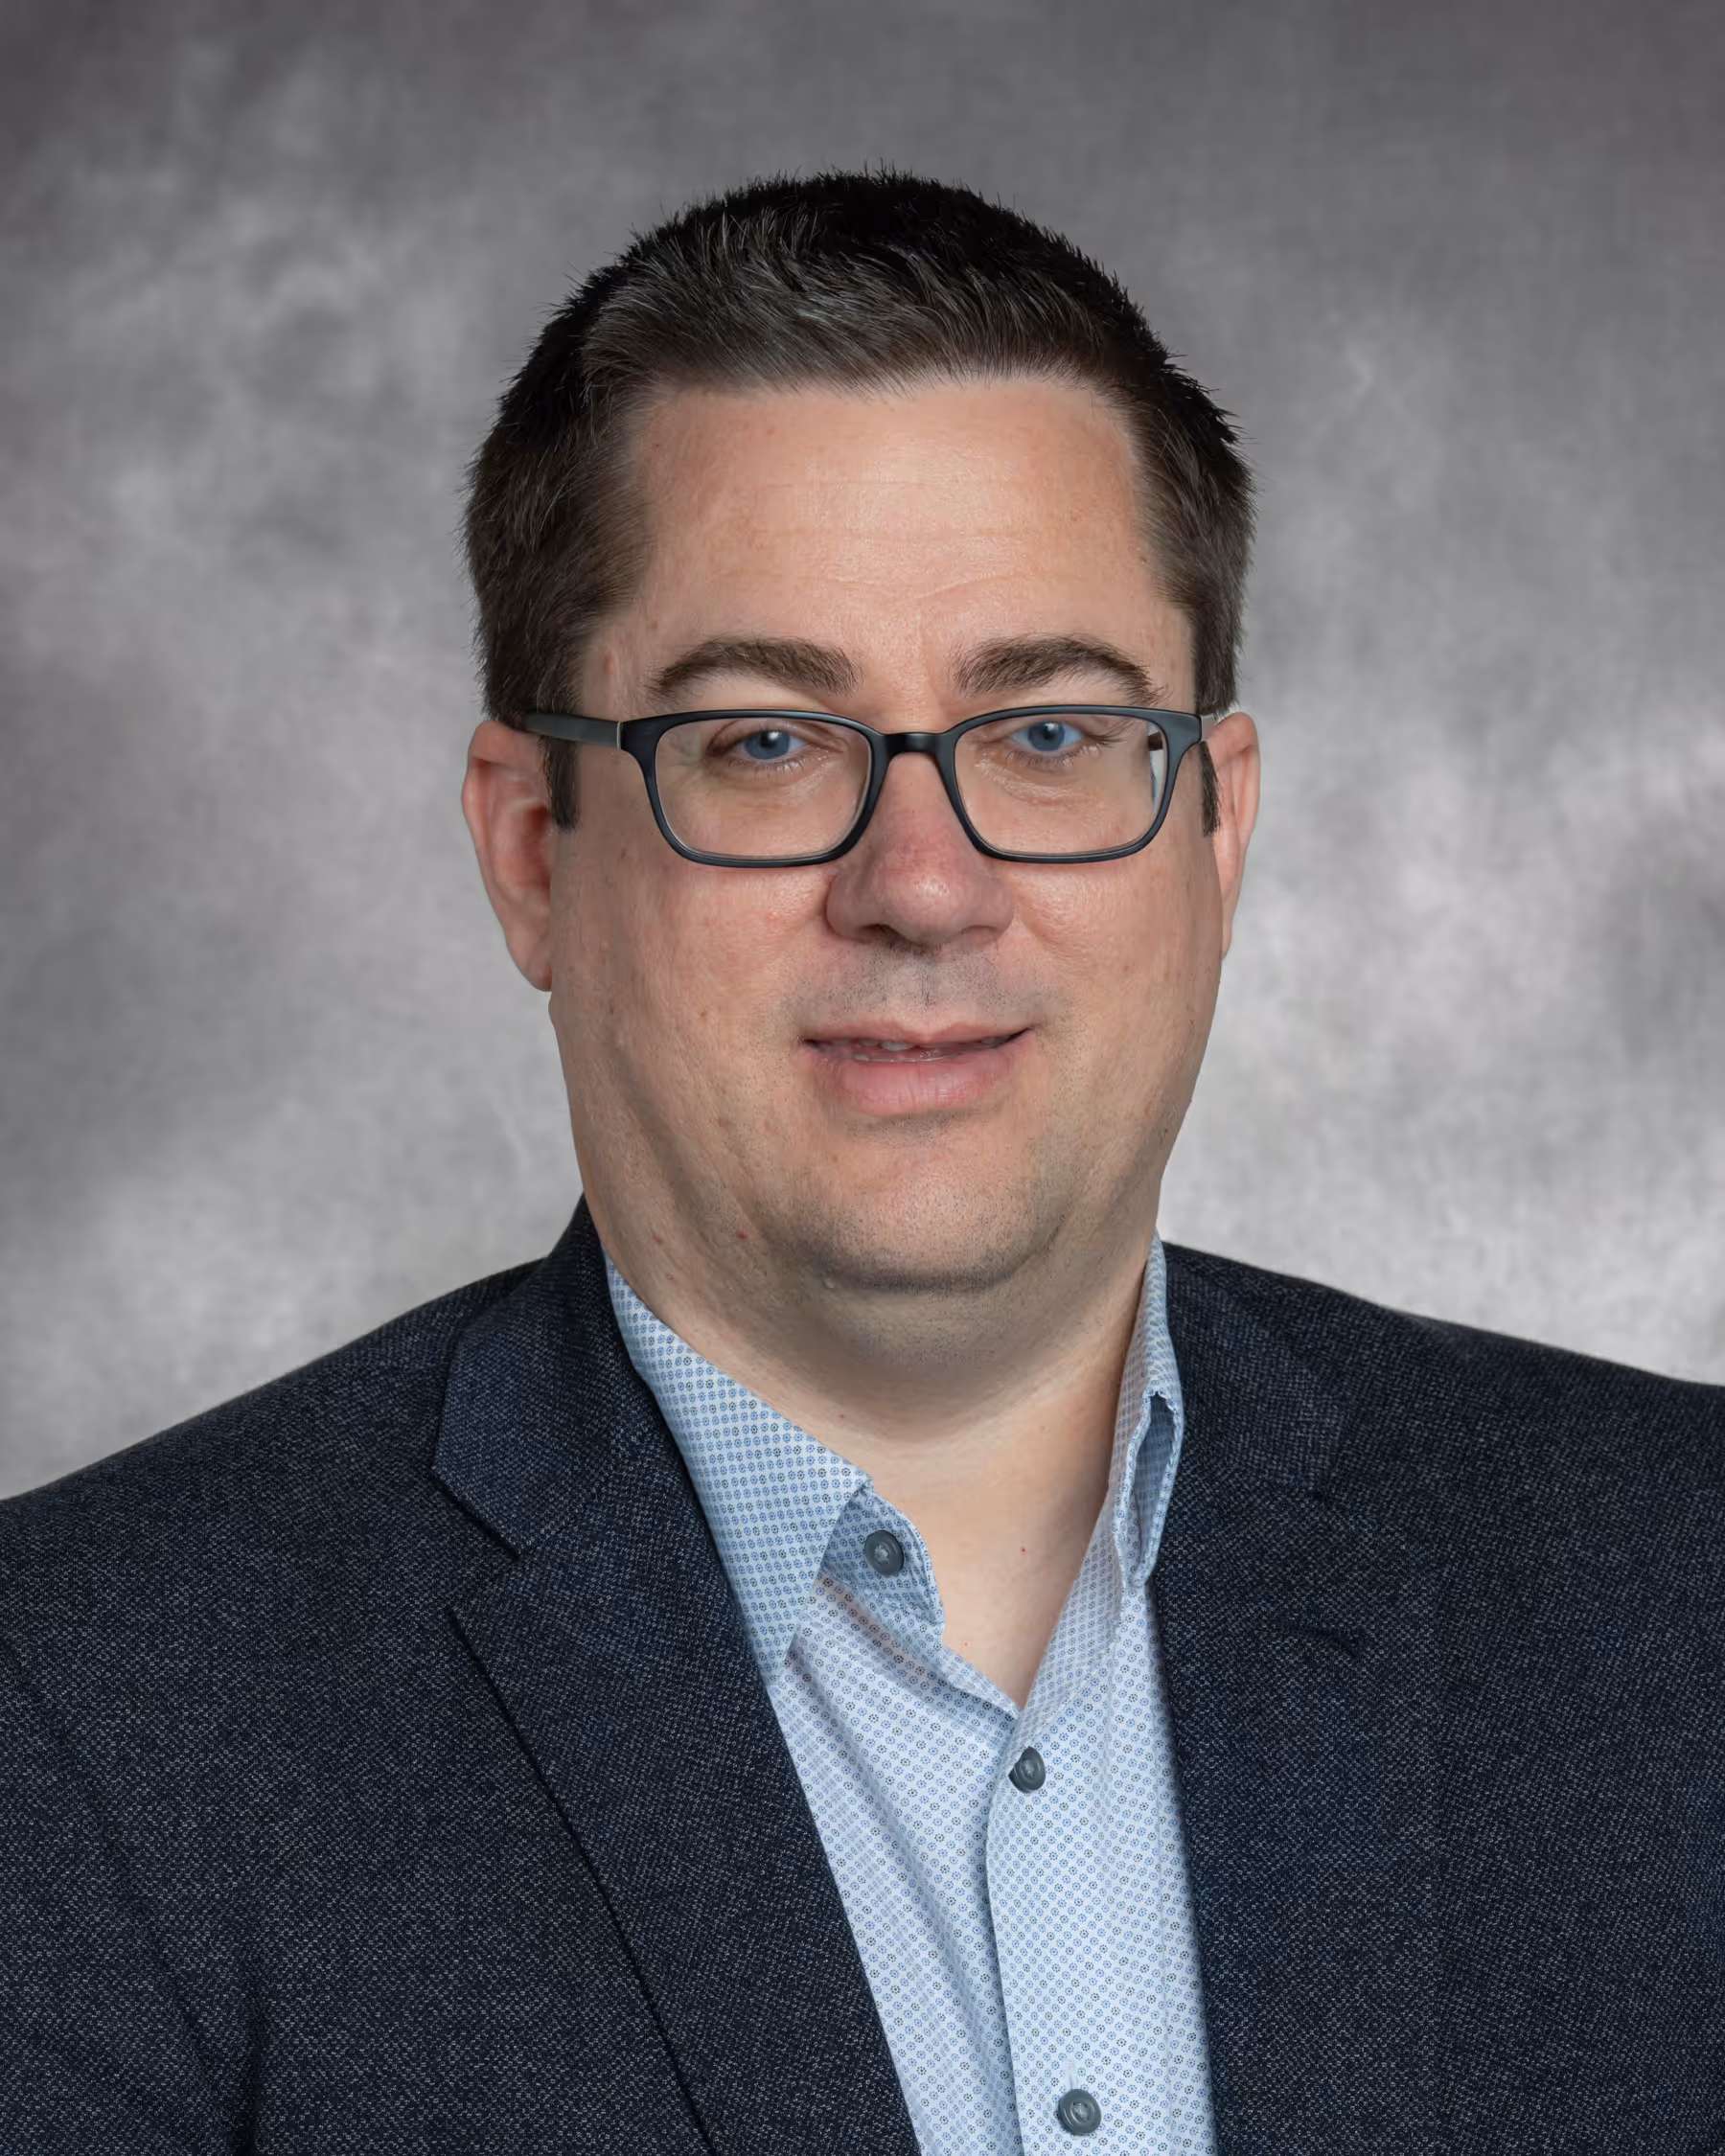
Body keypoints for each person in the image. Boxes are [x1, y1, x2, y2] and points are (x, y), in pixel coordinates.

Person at [1, 171, 1720, 2156]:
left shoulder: (1683, 1602)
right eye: (760, 747)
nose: (923, 884)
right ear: (532, 851)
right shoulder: (91, 1722)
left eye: (1054, 737)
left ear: (1216, 834)